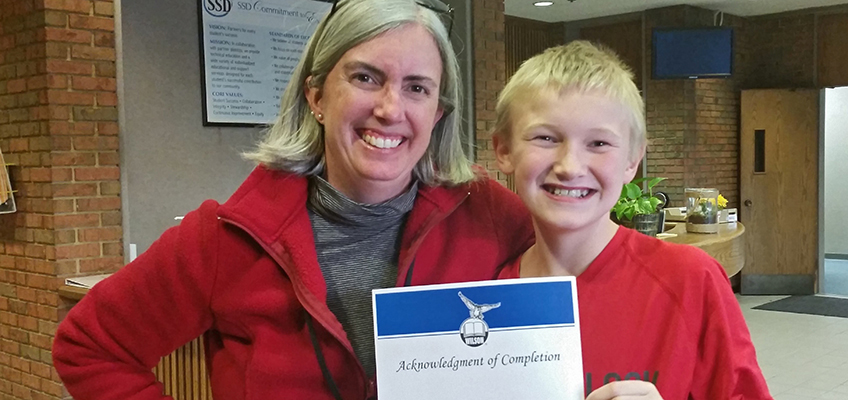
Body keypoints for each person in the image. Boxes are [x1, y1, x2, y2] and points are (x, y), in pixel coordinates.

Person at [52, 1, 534, 399]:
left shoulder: (489, 213)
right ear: (317, 97)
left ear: (437, 112)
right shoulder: (226, 237)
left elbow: (587, 285)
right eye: (365, 78)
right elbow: (90, 345)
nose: (390, 109)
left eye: (416, 88)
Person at [491, 41, 772, 400]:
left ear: (632, 161)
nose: (570, 166)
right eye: (546, 138)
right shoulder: (491, 294)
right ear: (504, 150)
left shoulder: (690, 281)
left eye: (598, 144)